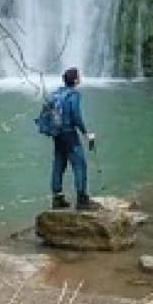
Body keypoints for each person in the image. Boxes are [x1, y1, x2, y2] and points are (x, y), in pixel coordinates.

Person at [47, 67, 97, 210]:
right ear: (75, 80)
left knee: (59, 164)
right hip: (69, 134)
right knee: (79, 164)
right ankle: (82, 199)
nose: (80, 78)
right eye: (78, 76)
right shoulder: (73, 95)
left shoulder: (56, 93)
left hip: (57, 134)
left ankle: (57, 198)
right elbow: (76, 116)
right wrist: (85, 132)